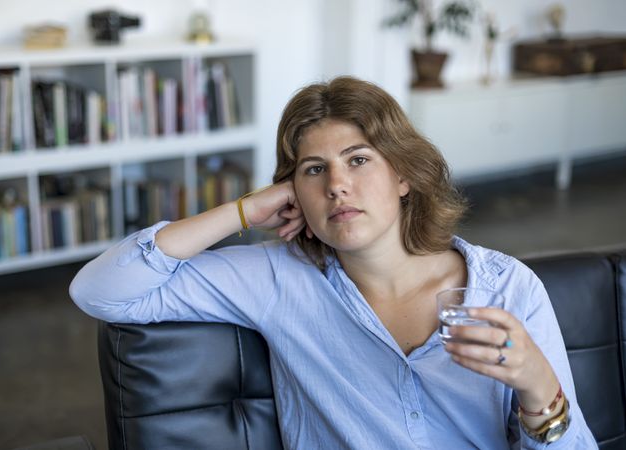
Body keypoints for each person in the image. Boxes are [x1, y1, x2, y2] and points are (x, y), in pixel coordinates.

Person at [70, 76, 597, 449]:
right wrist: (243, 210)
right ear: (291, 191)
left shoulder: (507, 288)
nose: (337, 184)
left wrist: (536, 387)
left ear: (403, 176)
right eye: (313, 169)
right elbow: (101, 290)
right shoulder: (276, 277)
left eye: (359, 160)